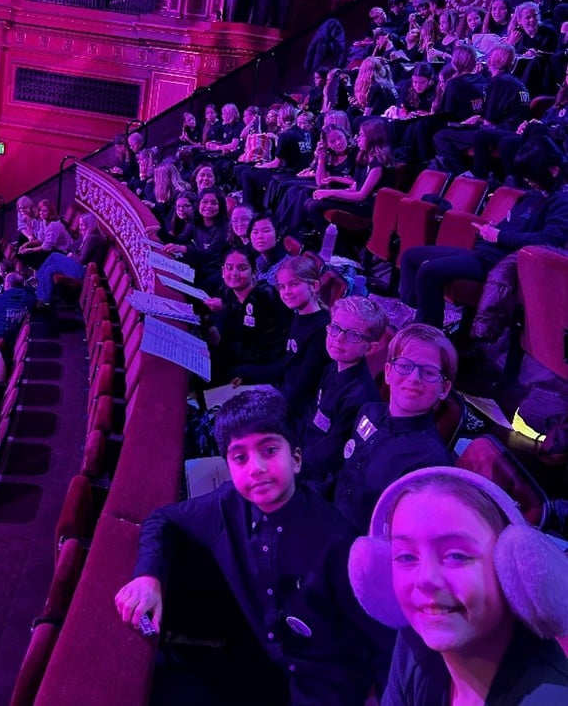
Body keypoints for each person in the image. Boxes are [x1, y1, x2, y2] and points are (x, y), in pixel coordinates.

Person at [115, 387, 392, 705]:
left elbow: (383, 646)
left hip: (321, 689)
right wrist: (149, 576)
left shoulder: (340, 544)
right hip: (258, 664)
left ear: (296, 459)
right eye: (240, 457)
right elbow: (162, 519)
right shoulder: (226, 503)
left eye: (269, 450)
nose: (256, 467)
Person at [348, 466, 568, 705]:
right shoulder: (415, 642)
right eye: (407, 557)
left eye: (456, 556)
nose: (425, 578)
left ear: (511, 571)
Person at [399, 135, 568, 329]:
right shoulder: (534, 194)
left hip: (499, 262)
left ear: (553, 171)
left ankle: (427, 338)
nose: (528, 181)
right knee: (410, 256)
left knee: (428, 272)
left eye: (532, 175)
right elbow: (511, 224)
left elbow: (549, 240)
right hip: (483, 252)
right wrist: (490, 230)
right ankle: (411, 319)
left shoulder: (562, 201)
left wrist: (498, 235)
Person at [333, 323, 456, 536]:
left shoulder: (430, 462)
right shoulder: (368, 412)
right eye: (405, 366)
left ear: (444, 389)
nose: (414, 378)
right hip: (330, 517)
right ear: (388, 372)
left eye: (428, 372)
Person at [300, 296, 387, 493]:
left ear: (371, 348)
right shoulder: (333, 367)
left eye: (353, 335)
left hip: (318, 478)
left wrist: (290, 461)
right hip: (305, 451)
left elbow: (329, 457)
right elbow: (313, 412)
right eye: (336, 328)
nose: (338, 338)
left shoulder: (359, 397)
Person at [231, 255, 330, 417]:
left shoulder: (321, 330)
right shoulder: (299, 316)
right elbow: (288, 363)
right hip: (282, 392)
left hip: (294, 409)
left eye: (293, 284)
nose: (286, 292)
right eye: (282, 287)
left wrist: (265, 406)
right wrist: (248, 373)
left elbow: (303, 387)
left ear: (314, 286)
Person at [432, 43, 530, 177]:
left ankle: (466, 176)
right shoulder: (515, 81)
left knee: (441, 136)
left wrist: (474, 121)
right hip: (512, 129)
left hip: (504, 131)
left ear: (492, 60)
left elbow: (488, 121)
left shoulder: (498, 82)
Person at [203, 246, 292, 383]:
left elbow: (263, 348)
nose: (234, 273)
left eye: (242, 268)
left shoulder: (264, 296)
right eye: (229, 267)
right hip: (246, 355)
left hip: (268, 363)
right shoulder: (230, 293)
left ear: (254, 272)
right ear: (222, 271)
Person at [33, 213, 106, 307]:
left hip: (84, 272)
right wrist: (74, 253)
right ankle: (43, 298)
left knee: (54, 256)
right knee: (51, 269)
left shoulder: (92, 238)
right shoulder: (87, 236)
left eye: (83, 225)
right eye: (80, 224)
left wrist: (73, 255)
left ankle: (38, 279)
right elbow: (73, 247)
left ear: (90, 225)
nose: (80, 227)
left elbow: (82, 260)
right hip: (80, 267)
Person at [164, 188, 229, 291]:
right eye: (205, 202)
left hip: (218, 271)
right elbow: (179, 240)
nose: (208, 206)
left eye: (214, 203)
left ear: (220, 206)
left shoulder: (224, 227)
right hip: (200, 268)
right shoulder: (195, 223)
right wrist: (159, 231)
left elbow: (211, 254)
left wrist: (186, 249)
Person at [17, 199, 71, 268]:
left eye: (44, 211)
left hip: (62, 252)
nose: (41, 213)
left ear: (50, 212)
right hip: (51, 249)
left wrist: (28, 250)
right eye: (40, 210)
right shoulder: (43, 222)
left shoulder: (54, 225)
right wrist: (26, 245)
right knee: (24, 246)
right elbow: (40, 240)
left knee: (32, 256)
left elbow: (46, 247)